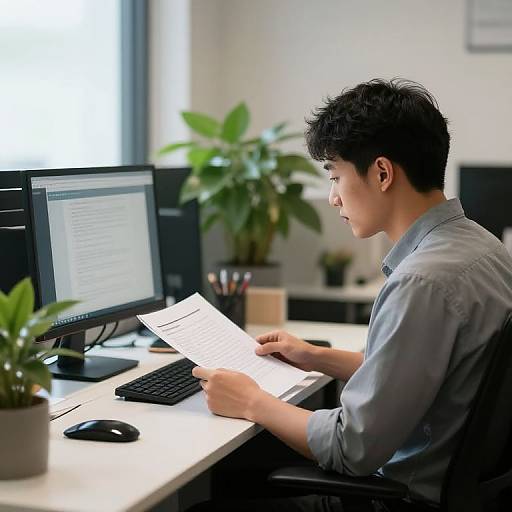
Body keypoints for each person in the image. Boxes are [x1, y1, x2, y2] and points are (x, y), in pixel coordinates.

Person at [191, 79, 512, 512]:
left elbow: (352, 447)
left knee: (208, 498)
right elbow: (427, 372)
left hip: (401, 499)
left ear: (382, 173)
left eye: (336, 176)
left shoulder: (421, 281)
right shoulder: (483, 247)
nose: (333, 197)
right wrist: (317, 357)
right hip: (464, 487)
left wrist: (251, 401)